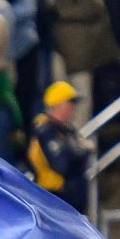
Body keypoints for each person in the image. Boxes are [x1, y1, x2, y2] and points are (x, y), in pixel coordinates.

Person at [26, 81, 92, 211]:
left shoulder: (65, 131)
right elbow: (61, 164)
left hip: (72, 201)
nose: (73, 108)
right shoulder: (46, 131)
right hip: (55, 199)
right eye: (70, 102)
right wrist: (81, 151)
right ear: (58, 104)